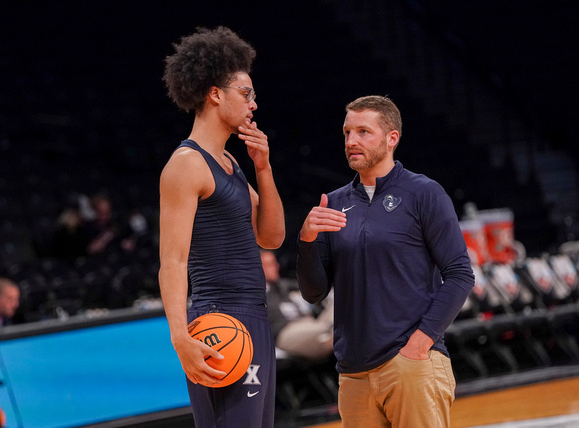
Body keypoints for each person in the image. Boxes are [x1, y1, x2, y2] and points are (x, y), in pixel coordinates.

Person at [296, 95, 475, 427]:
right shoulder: (333, 203)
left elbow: (460, 274)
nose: (351, 141)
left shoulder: (424, 193)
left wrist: (420, 344)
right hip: (353, 373)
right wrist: (306, 240)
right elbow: (314, 292)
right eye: (347, 132)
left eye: (364, 132)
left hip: (411, 364)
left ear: (392, 138)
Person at [158, 27, 285, 428]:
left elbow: (271, 237)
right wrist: (180, 338)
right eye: (245, 93)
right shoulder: (187, 164)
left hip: (254, 319)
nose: (254, 104)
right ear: (215, 94)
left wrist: (263, 169)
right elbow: (173, 262)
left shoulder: (229, 164)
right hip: (219, 322)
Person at [261, 249, 333, 362]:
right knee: (330, 330)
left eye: (275, 263)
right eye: (270, 264)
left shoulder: (282, 286)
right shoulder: (256, 294)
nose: (276, 266)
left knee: (341, 300)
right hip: (286, 332)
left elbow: (309, 286)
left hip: (309, 323)